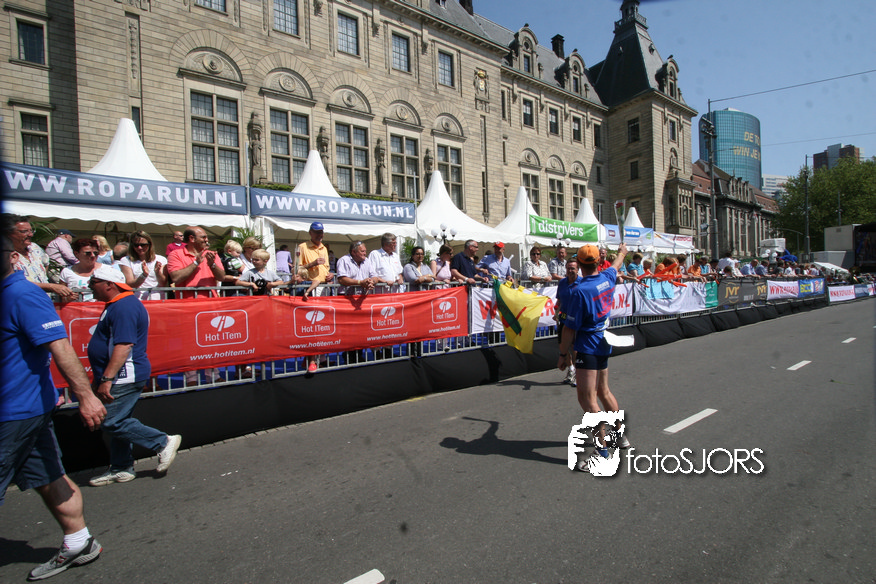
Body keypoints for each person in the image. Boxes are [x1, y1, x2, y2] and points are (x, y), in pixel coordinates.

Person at [1, 236, 107, 581]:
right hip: (23, 409)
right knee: (48, 476)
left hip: (16, 411)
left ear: (13, 257)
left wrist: (86, 395)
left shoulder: (21, 294)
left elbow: (60, 346)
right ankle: (78, 542)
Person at [86, 265, 181, 487]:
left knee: (111, 421)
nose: (90, 287)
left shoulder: (124, 307)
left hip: (124, 375)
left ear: (109, 285)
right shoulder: (118, 304)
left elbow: (124, 345)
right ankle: (121, 467)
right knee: (121, 420)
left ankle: (162, 441)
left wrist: (107, 379)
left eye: (93, 282)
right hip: (120, 375)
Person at [557, 243, 631, 467]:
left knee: (588, 400)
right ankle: (620, 436)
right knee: (604, 392)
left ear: (579, 264)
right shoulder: (607, 277)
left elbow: (569, 328)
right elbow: (616, 264)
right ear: (598, 261)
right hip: (603, 341)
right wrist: (622, 252)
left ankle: (602, 453)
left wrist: (562, 354)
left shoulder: (580, 290)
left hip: (587, 346)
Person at [167, 226, 225, 385]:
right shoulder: (176, 254)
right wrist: (195, 262)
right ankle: (191, 377)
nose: (207, 240)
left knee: (211, 341)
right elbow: (176, 277)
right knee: (190, 342)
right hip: (187, 306)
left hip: (210, 305)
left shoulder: (212, 254)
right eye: (203, 237)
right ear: (191, 239)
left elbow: (222, 276)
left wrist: (213, 265)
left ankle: (213, 374)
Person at [3, 214, 73, 299]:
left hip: (43, 299)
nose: (30, 235)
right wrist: (50, 286)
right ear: (8, 234)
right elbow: (14, 282)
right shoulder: (5, 255)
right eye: (24, 231)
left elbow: (46, 263)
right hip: (21, 300)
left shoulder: (34, 247)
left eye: (31, 231)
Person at [119, 230, 168, 300]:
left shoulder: (161, 259)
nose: (139, 247)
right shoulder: (126, 260)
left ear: (149, 244)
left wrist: (158, 273)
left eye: (143, 245)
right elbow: (130, 284)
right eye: (136, 245)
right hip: (137, 300)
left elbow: (163, 283)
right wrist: (144, 275)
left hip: (157, 300)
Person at [555, 256, 580, 387]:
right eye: (568, 268)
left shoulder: (582, 283)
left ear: (578, 270)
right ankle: (571, 370)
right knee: (563, 346)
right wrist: (555, 313)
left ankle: (577, 373)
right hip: (564, 318)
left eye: (573, 269)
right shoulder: (562, 283)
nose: (570, 271)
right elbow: (559, 300)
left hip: (576, 320)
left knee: (574, 347)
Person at [295, 222, 334, 298]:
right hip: (309, 286)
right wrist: (312, 264)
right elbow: (296, 269)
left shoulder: (324, 248)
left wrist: (330, 274)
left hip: (324, 286)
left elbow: (326, 268)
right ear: (310, 233)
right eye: (317, 232)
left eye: (321, 232)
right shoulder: (302, 247)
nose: (319, 235)